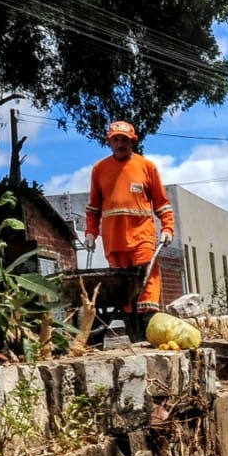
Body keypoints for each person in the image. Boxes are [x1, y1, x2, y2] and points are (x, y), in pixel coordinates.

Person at [84, 121, 175, 332]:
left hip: (142, 236)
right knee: (122, 287)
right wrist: (90, 233)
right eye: (116, 139)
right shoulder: (99, 169)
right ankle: (133, 331)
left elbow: (161, 203)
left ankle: (146, 329)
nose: (120, 143)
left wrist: (168, 228)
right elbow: (94, 208)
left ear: (133, 141)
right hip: (114, 241)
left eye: (124, 139)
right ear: (110, 142)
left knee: (145, 280)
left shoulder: (147, 167)